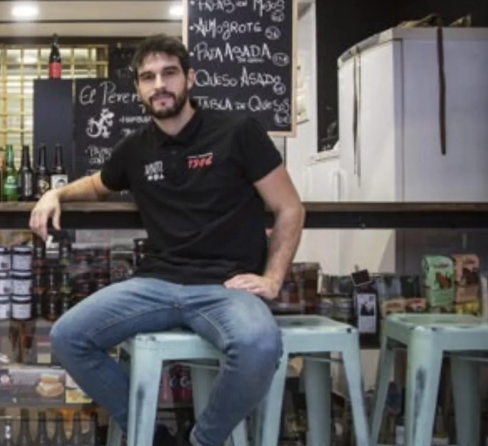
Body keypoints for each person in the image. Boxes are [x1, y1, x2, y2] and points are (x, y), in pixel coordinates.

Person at [29, 34, 305, 446]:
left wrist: (272, 278)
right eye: (148, 77)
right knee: (69, 337)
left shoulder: (237, 132)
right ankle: (153, 433)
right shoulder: (135, 147)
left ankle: (202, 440)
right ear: (138, 88)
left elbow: (289, 208)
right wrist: (55, 193)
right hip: (155, 283)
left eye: (169, 73)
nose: (159, 85)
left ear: (189, 78)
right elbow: (97, 184)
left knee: (259, 346)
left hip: (225, 286)